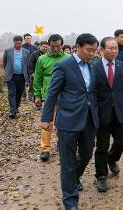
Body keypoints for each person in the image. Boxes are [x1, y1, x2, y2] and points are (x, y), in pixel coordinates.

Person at [41, 33, 99, 210]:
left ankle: (72, 179)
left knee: (87, 153)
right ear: (78, 47)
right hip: (68, 120)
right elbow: (52, 94)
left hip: (88, 119)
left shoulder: (93, 66)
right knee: (67, 162)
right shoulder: (63, 66)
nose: (92, 54)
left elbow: (92, 92)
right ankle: (70, 201)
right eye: (89, 50)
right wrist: (46, 118)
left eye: (94, 51)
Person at [93, 37, 123, 192]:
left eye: (116, 48)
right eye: (110, 48)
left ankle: (112, 159)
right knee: (101, 146)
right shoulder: (94, 67)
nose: (114, 51)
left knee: (122, 142)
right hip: (101, 113)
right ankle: (101, 176)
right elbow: (92, 92)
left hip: (119, 111)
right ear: (102, 50)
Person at [34, 34, 69, 162]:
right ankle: (45, 148)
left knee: (63, 121)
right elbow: (37, 78)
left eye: (58, 46)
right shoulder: (42, 59)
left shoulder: (68, 58)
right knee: (47, 122)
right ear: (49, 45)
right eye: (53, 46)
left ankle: (61, 142)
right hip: (49, 96)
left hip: (65, 96)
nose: (55, 49)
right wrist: (37, 94)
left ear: (62, 45)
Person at [2, 35, 30, 118]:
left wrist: (27, 76)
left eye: (19, 43)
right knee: (11, 93)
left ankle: (16, 107)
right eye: (16, 43)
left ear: (21, 43)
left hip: (21, 76)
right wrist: (8, 71)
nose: (17, 45)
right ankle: (12, 110)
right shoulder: (8, 51)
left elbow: (27, 64)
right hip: (11, 76)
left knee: (19, 93)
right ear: (13, 42)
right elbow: (4, 63)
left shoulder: (26, 52)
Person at [28, 41, 48, 107]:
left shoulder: (48, 55)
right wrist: (32, 73)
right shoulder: (34, 54)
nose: (45, 48)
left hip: (45, 75)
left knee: (44, 89)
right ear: (40, 46)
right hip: (35, 74)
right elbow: (31, 64)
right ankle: (37, 104)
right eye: (44, 47)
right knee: (36, 89)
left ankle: (43, 102)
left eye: (46, 47)